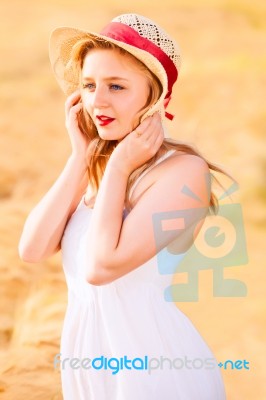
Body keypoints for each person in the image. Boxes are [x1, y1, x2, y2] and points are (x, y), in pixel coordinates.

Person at [19, 13, 226, 400]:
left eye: (117, 86)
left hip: (153, 370)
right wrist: (81, 157)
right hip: (89, 367)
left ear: (156, 98)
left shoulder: (184, 173)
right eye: (89, 85)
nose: (98, 100)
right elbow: (32, 249)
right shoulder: (97, 171)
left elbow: (101, 267)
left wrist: (116, 167)